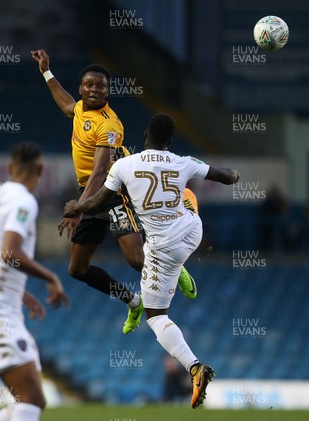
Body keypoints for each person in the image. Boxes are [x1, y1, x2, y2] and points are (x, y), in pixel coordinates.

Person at [64, 113, 240, 408]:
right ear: (170, 141)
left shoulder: (123, 165)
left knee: (157, 316)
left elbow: (98, 201)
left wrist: (76, 206)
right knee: (184, 195)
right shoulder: (183, 161)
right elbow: (226, 176)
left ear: (145, 134)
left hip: (162, 250)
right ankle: (183, 242)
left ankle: (195, 367)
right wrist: (235, 175)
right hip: (193, 233)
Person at [30, 49, 196, 335]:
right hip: (90, 190)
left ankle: (175, 265)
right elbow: (65, 104)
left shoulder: (110, 124)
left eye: (101, 86)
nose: (95, 90)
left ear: (108, 91)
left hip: (113, 190)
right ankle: (133, 302)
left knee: (135, 260)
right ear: (82, 88)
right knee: (77, 270)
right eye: (89, 85)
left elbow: (100, 171)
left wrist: (80, 209)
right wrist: (46, 71)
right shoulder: (81, 108)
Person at [0, 142, 69, 421]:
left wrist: (20, 295)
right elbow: (10, 252)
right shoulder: (25, 200)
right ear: (40, 170)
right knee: (32, 399)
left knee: (29, 400)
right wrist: (51, 277)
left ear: (10, 168)